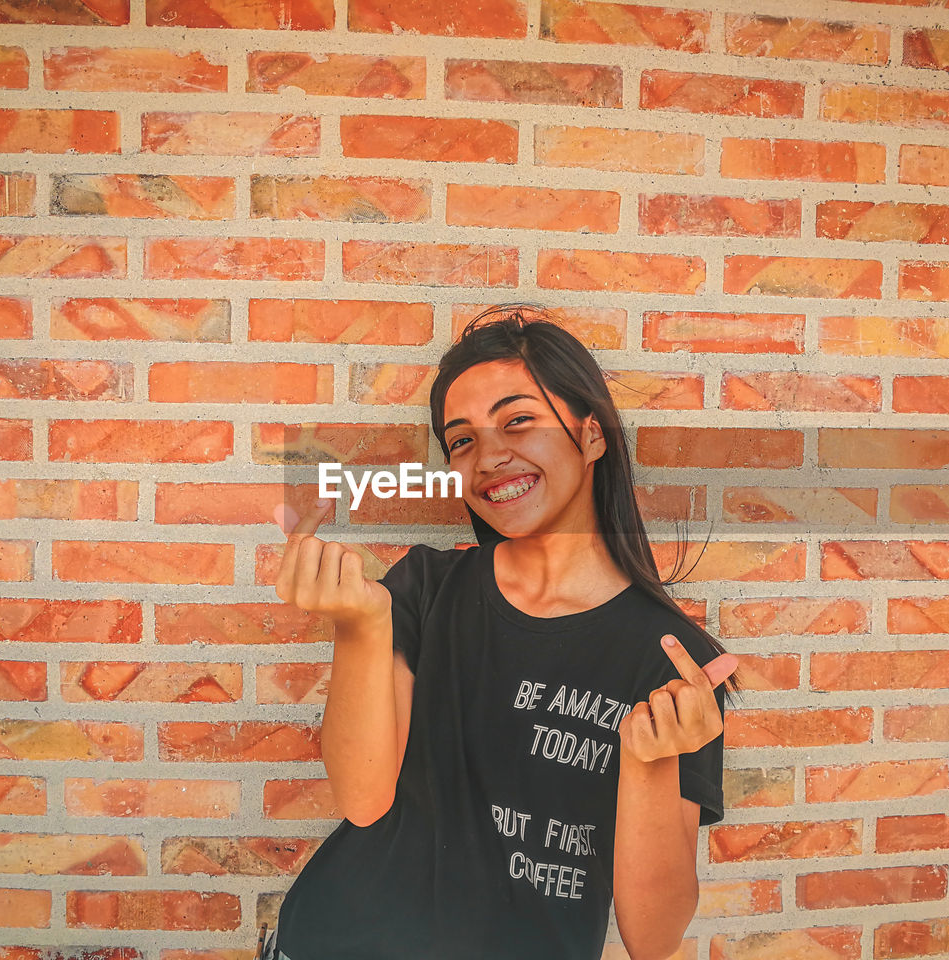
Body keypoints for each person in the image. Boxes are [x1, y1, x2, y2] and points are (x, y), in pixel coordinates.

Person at [262, 306, 738, 960]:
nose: (488, 456)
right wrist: (359, 625)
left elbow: (652, 938)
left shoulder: (674, 666)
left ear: (593, 435)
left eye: (519, 420)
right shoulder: (425, 588)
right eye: (462, 440)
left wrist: (651, 764)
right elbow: (363, 800)